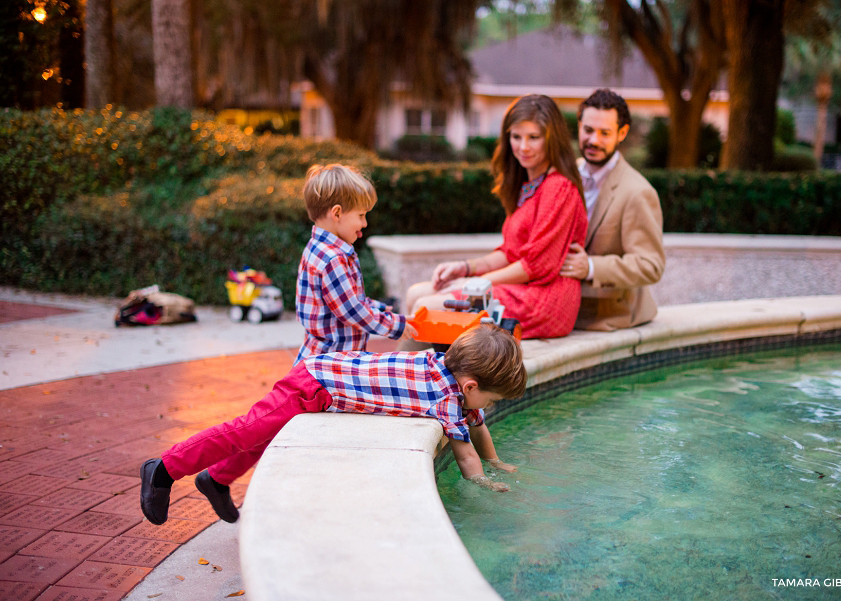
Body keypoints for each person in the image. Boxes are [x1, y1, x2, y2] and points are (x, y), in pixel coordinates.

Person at [139, 324, 526, 525]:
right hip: (314, 384)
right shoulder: (445, 398)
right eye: (491, 399)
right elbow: (464, 456)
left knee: (263, 434)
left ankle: (217, 479)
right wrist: (484, 481)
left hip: (324, 378)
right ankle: (164, 470)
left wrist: (496, 460)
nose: (486, 408)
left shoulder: (450, 374)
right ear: (471, 386)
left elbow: (477, 426)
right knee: (247, 431)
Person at [404, 95, 587, 339]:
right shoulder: (529, 186)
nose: (523, 147)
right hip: (520, 288)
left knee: (425, 307)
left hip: (544, 299)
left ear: (552, 139)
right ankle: (406, 372)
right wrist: (465, 268)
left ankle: (414, 374)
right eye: (516, 136)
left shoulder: (558, 187)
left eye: (534, 137)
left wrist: (476, 284)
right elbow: (509, 252)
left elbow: (536, 266)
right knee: (415, 294)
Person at [559, 89, 665, 331]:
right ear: (579, 126)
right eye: (588, 130)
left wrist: (591, 267)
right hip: (563, 309)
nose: (594, 140)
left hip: (610, 316)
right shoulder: (565, 174)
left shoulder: (638, 192)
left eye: (604, 133)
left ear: (622, 133)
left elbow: (651, 265)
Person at [295, 164, 416, 363]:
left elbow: (350, 301)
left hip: (322, 355)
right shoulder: (333, 259)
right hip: (332, 362)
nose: (364, 224)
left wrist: (387, 313)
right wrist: (394, 327)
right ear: (337, 214)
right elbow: (353, 311)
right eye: (361, 215)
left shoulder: (317, 248)